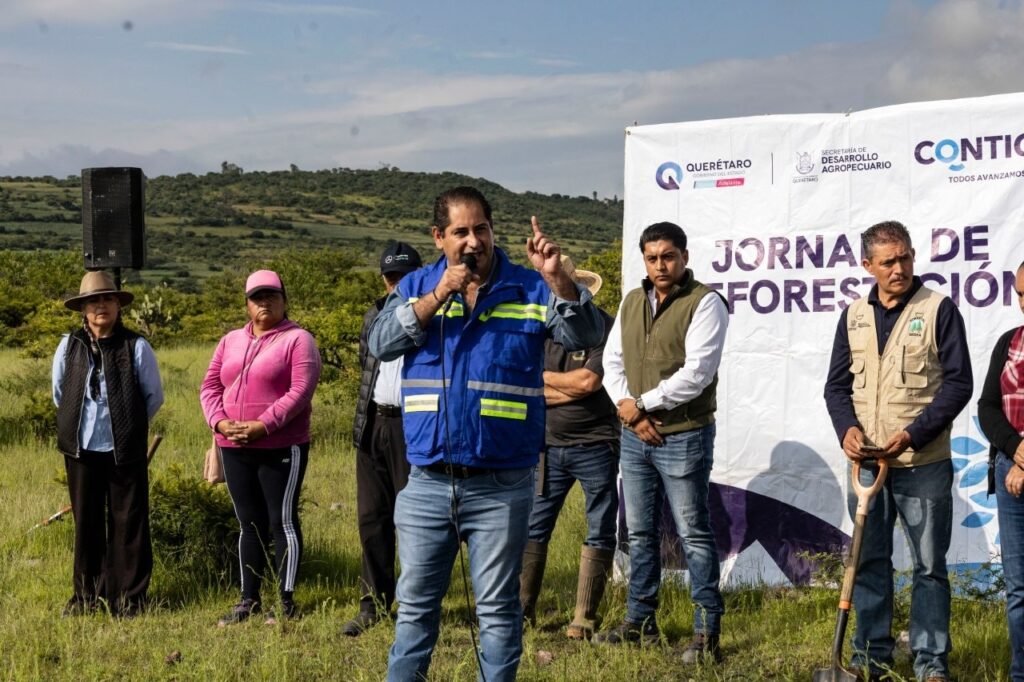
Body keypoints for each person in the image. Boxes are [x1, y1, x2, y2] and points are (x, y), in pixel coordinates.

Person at [368, 186, 603, 682]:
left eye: (482, 229)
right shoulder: (416, 285)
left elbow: (584, 337)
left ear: (493, 231)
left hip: (501, 487)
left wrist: (559, 279)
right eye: (460, 232)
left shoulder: (529, 286)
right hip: (427, 484)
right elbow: (381, 342)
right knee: (414, 613)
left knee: (498, 612)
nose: (473, 241)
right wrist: (437, 297)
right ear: (439, 237)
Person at [823, 220, 973, 682]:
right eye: (888, 261)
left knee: (929, 568)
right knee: (868, 562)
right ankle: (871, 659)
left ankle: (930, 665)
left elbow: (959, 384)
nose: (899, 268)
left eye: (905, 257)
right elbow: (836, 387)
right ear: (867, 265)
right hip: (866, 466)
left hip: (921, 463)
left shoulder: (938, 309)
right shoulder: (853, 316)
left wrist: (914, 434)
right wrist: (846, 429)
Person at [597, 221, 729, 665]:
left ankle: (705, 633)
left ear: (684, 257)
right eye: (652, 258)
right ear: (644, 260)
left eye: (668, 256)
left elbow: (697, 374)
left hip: (684, 435)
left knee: (693, 533)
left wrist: (640, 404)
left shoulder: (706, 302)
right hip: (635, 436)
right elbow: (611, 361)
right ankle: (640, 622)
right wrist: (628, 411)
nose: (660, 265)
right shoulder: (633, 300)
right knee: (639, 532)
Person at [200, 269, 321, 626]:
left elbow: (300, 391)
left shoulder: (299, 340)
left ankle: (285, 601)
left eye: (271, 295)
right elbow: (209, 386)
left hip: (281, 444)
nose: (264, 302)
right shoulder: (230, 341)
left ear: (284, 300)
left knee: (280, 520)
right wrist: (220, 423)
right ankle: (248, 599)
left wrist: (263, 425)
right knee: (247, 524)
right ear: (247, 304)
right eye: (257, 297)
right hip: (233, 444)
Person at [519, 255, 620, 640]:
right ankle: (521, 610)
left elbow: (589, 384)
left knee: (599, 528)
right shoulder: (540, 328)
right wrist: (557, 385)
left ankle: (584, 619)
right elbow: (530, 385)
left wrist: (541, 383)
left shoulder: (603, 326)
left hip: (597, 443)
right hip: (545, 445)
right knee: (533, 526)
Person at [53, 270, 164, 617]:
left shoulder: (136, 346)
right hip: (81, 448)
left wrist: (128, 425)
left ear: (118, 304)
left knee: (128, 523)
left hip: (124, 449)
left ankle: (128, 599)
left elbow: (153, 396)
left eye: (107, 299)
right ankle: (86, 597)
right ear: (83, 308)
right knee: (86, 523)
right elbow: (59, 393)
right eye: (93, 301)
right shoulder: (69, 345)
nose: (101, 305)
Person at [342, 241, 423, 637]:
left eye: (405, 278)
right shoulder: (374, 313)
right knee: (371, 519)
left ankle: (415, 604)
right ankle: (372, 605)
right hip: (373, 422)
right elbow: (366, 370)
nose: (397, 285)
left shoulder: (431, 313)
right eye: (391, 278)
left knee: (413, 521)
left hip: (414, 427)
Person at [978, 260, 1024, 682]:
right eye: (1023, 295)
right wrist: (1017, 450)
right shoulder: (1009, 342)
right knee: (1019, 588)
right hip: (1013, 473)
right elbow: (987, 408)